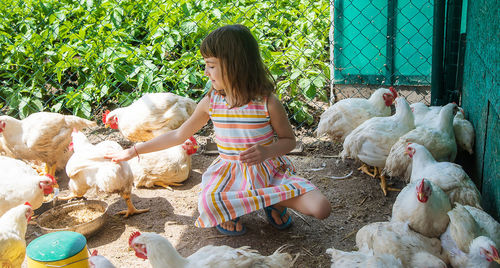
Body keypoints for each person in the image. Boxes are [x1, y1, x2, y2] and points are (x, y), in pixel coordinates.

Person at [105, 24, 331, 235]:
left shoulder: (268, 102)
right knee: (208, 202)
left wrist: (266, 151)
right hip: (230, 176)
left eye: (211, 66)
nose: (205, 72)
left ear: (235, 66)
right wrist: (134, 151)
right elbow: (177, 135)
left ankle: (272, 201)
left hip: (267, 172)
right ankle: (252, 203)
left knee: (320, 208)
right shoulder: (211, 102)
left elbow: (288, 141)